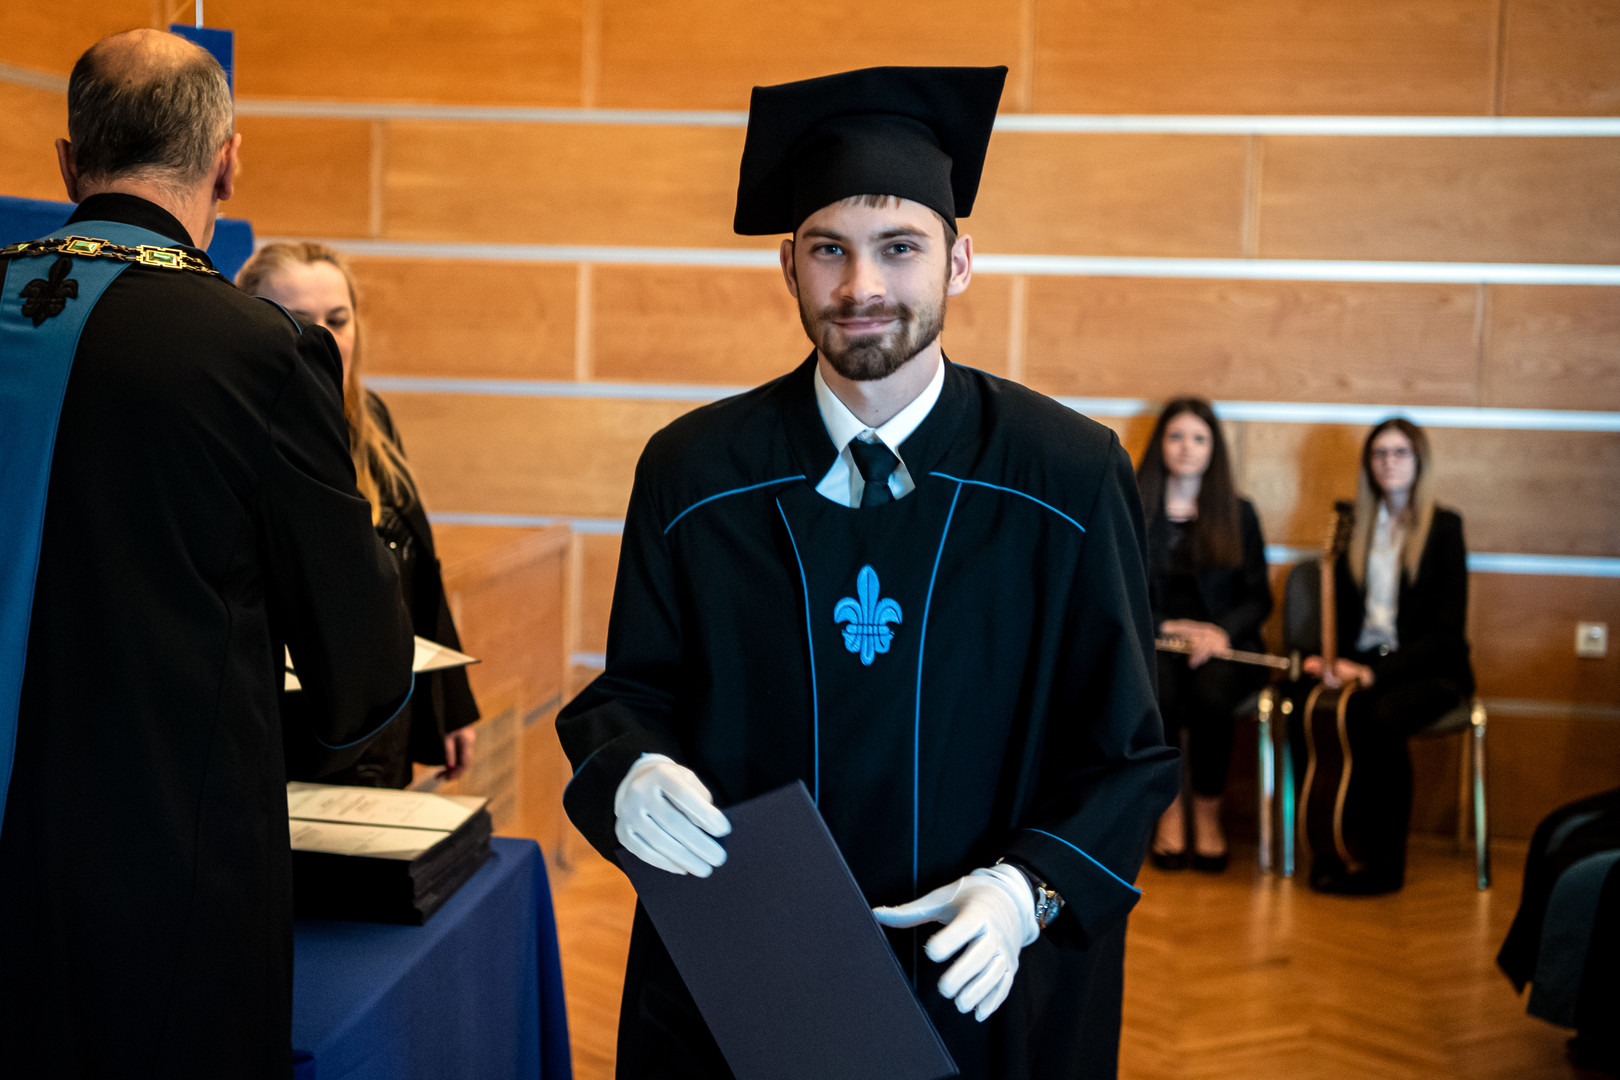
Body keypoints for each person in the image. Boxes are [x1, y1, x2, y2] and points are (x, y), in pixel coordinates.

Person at [556, 66, 1178, 1080]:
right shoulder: (695, 473)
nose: (861, 288)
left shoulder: (1065, 477)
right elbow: (632, 693)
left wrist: (1029, 893)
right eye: (828, 250)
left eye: (899, 247)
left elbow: (1127, 755)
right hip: (748, 973)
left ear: (959, 262)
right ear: (788, 268)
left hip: (980, 981)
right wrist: (630, 769)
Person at [0, 30, 414, 1079]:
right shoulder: (259, 352)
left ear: (68, 163)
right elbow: (360, 664)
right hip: (155, 873)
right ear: (227, 164)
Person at [239, 242, 479, 788]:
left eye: (338, 319)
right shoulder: (244, 428)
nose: (324, 337)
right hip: (292, 736)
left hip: (381, 727)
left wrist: (450, 702)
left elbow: (417, 565)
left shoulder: (372, 419)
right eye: (298, 320)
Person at [1296, 417, 1474, 894]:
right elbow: (1341, 616)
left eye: (1400, 453)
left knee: (1380, 719)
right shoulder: (1354, 525)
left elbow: (1446, 634)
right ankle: (1332, 845)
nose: (1389, 462)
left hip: (1430, 670)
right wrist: (1326, 661)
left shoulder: (1444, 528)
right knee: (1310, 709)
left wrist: (1374, 673)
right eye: (1379, 453)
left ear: (1419, 462)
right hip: (1365, 663)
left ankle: (1385, 864)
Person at [1136, 397, 1272, 873]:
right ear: (1160, 444)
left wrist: (1220, 632)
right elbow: (1116, 588)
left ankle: (1208, 813)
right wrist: (1165, 626)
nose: (1186, 448)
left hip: (1223, 645)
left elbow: (1258, 597)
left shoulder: (1239, 512)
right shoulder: (1135, 506)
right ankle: (1170, 812)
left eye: (1198, 438)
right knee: (1161, 697)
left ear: (1214, 449)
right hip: (1156, 638)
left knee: (1212, 698)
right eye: (1176, 436)